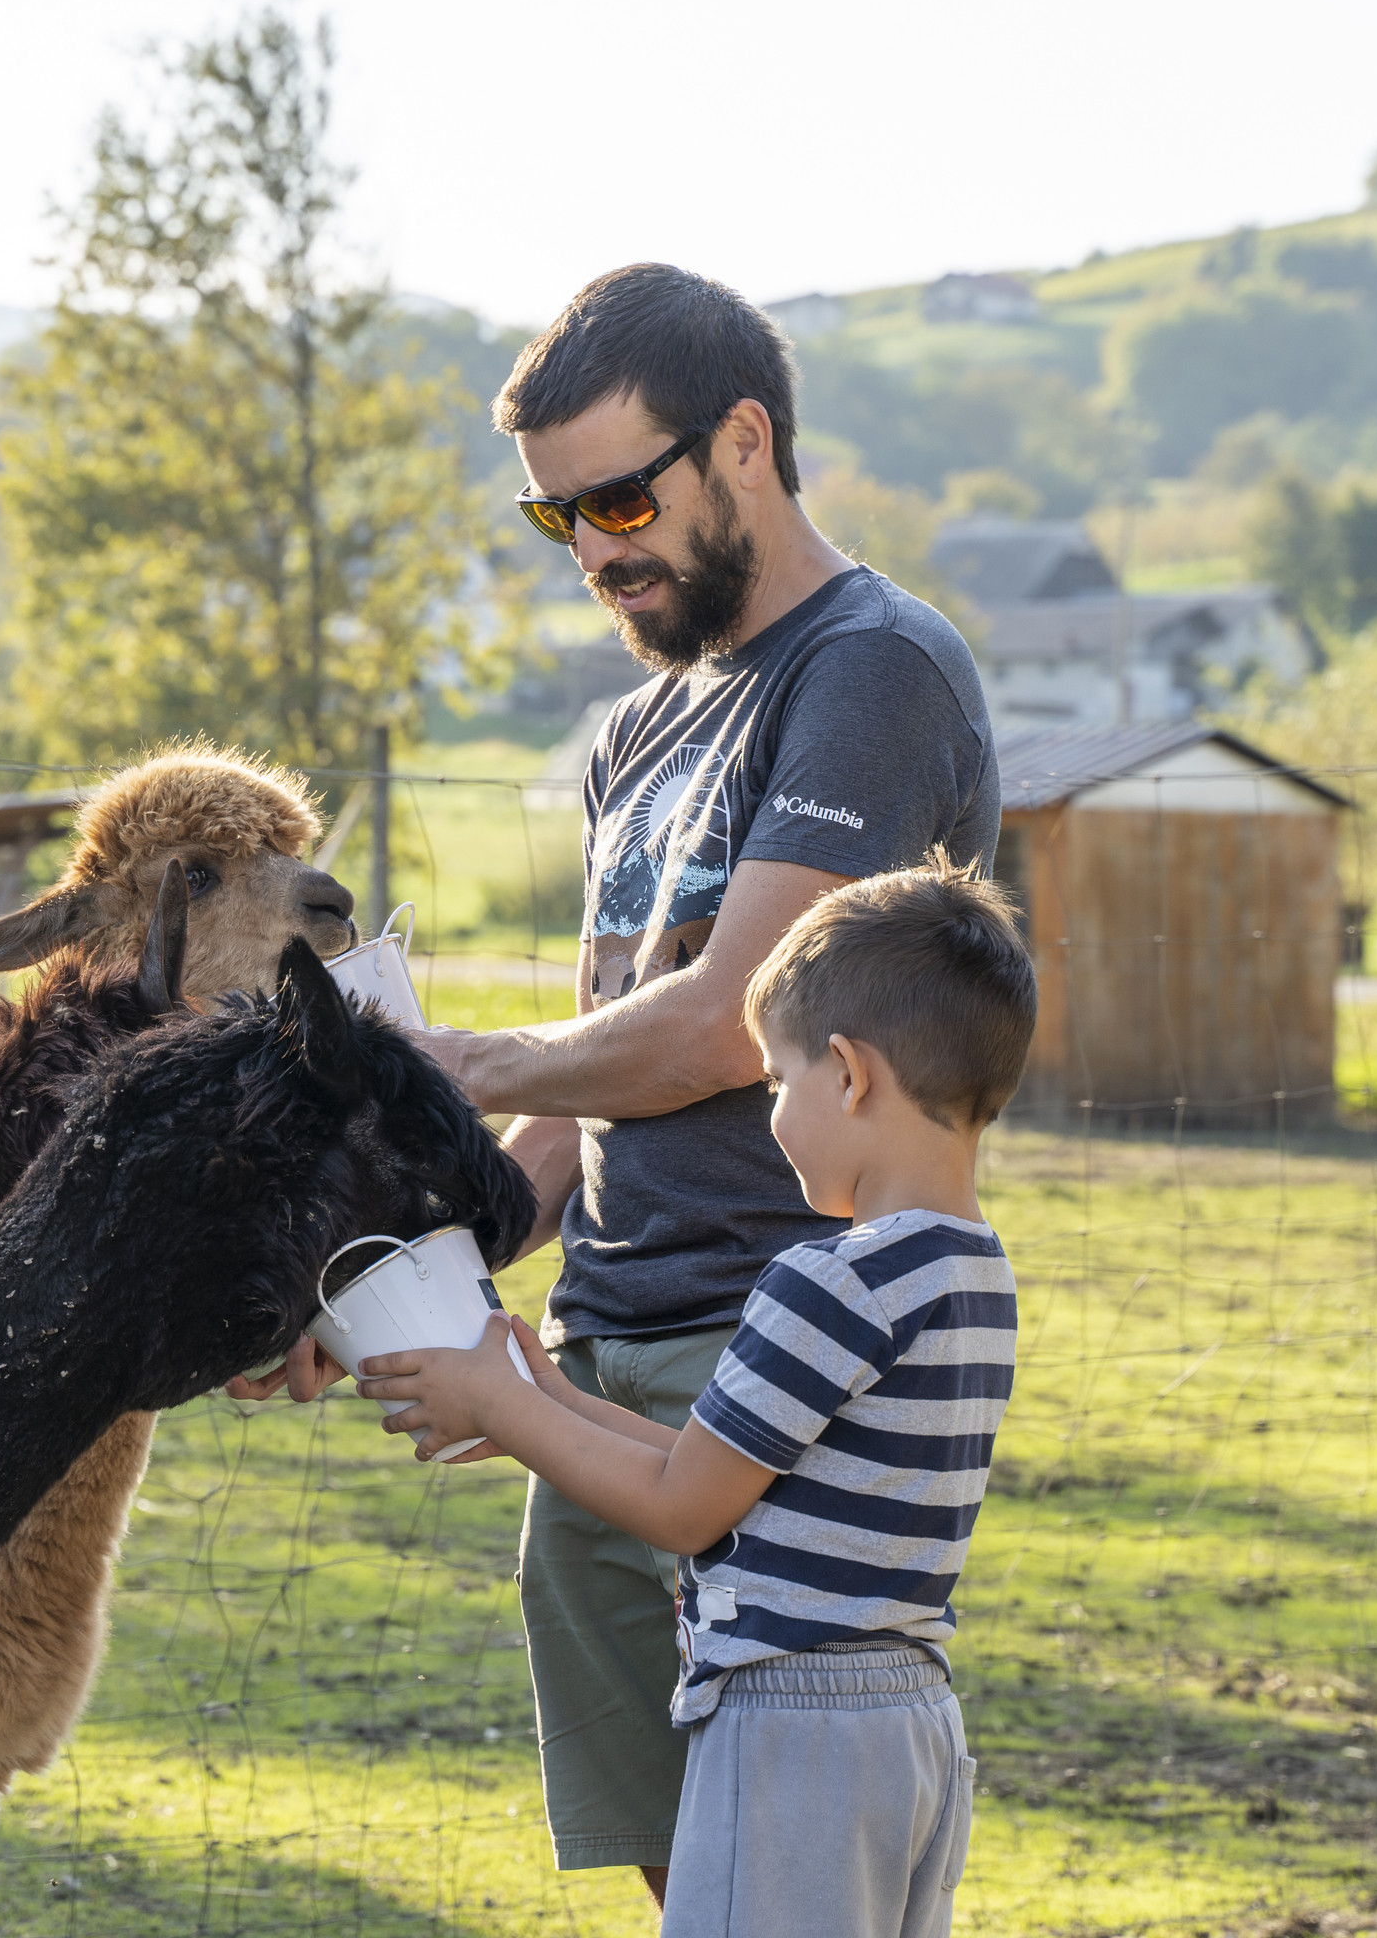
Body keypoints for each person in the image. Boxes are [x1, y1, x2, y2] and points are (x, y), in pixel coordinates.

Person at [234, 261, 1000, 1897]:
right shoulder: (635, 737)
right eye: (557, 518)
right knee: (702, 1891)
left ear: (745, 444)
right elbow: (586, 1100)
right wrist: (371, 1280)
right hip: (599, 1360)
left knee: (784, 1867)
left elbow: (727, 1024)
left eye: (622, 500)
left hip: (773, 1349)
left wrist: (441, 1062)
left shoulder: (870, 672)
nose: (594, 551)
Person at [355, 860, 1029, 1937]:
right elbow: (719, 1464)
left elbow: (681, 1506)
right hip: (909, 1723)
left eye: (777, 1082)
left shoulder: (830, 1280)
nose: (773, 1114)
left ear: (848, 1074)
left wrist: (502, 1403)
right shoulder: (968, 1272)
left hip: (794, 1726)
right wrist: (536, 1393)